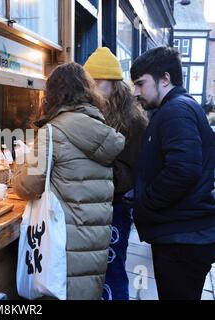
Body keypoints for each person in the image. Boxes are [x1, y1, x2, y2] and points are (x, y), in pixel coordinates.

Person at [14, 62, 126, 300]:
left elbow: (27, 186)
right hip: (94, 244)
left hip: (62, 245)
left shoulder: (51, 132)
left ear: (52, 95)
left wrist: (19, 166)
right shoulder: (101, 128)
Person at [130, 46, 215, 300]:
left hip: (183, 240)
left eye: (140, 84)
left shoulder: (176, 110)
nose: (135, 92)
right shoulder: (178, 108)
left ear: (165, 79)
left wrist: (147, 202)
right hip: (184, 235)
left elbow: (183, 169)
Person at [84, 47, 148, 300]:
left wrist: (98, 166)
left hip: (117, 207)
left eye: (99, 82)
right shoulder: (89, 111)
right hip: (91, 205)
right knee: (92, 270)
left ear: (115, 84)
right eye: (90, 83)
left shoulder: (134, 120)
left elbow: (134, 173)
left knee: (113, 268)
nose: (94, 88)